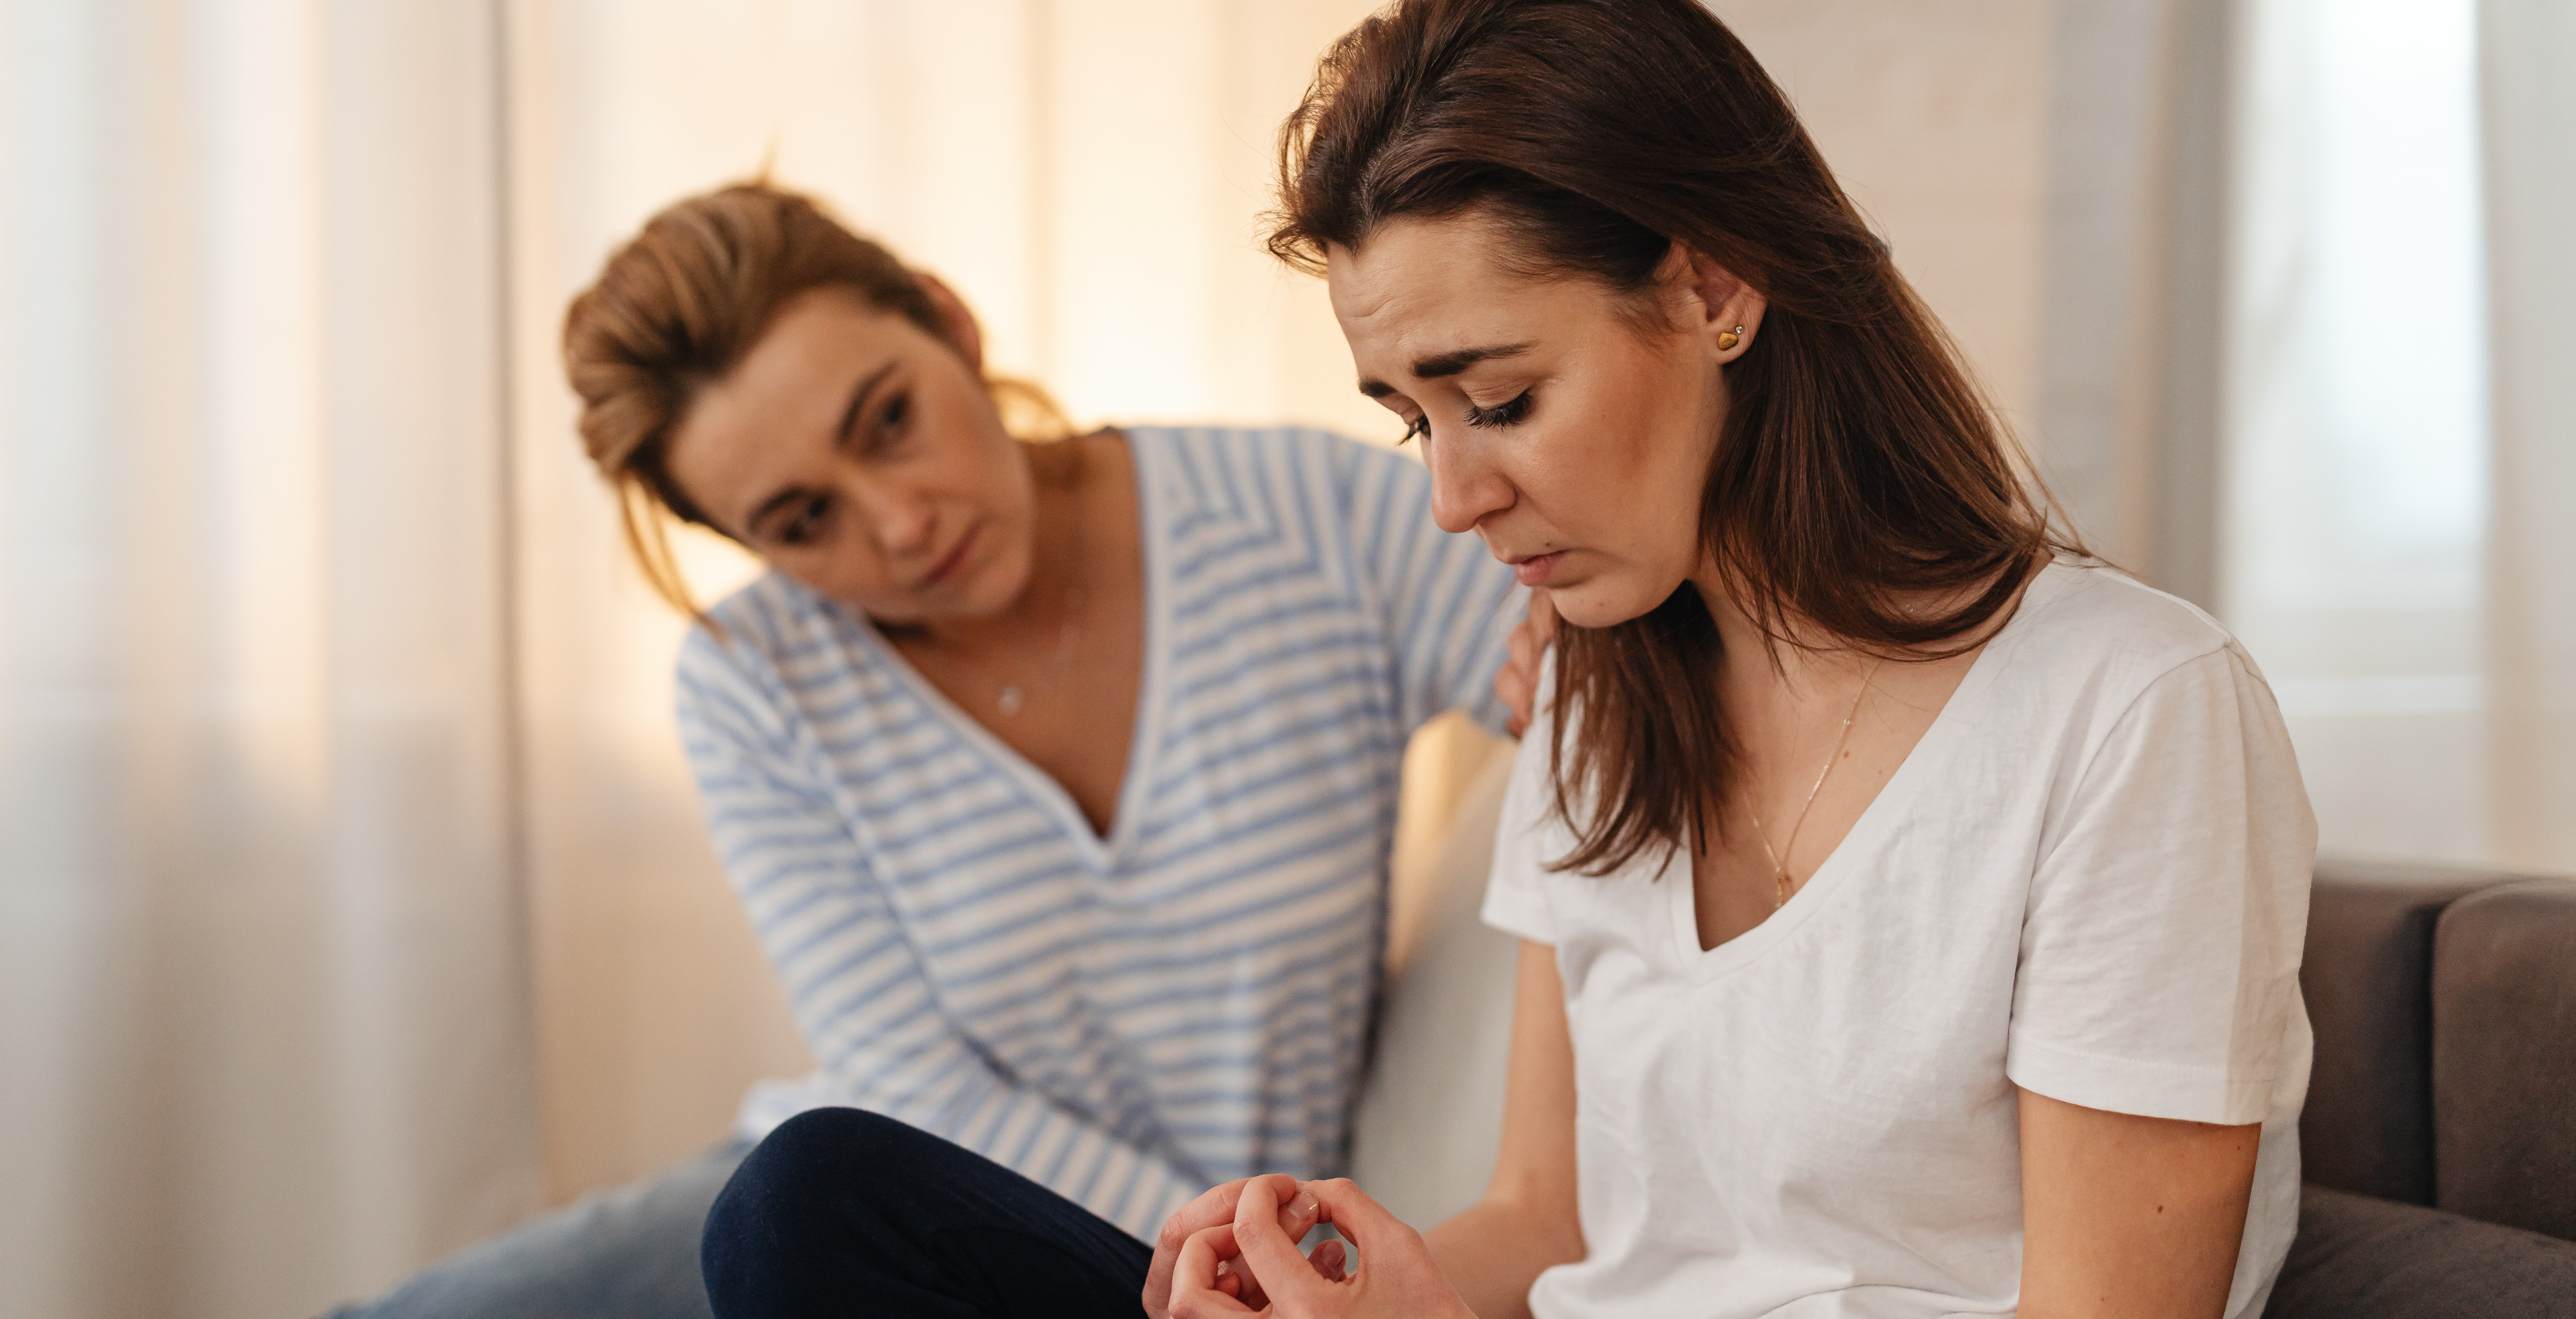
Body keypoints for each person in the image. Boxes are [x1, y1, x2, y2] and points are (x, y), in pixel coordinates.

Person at [701, 2, 2318, 1318]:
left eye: (1501, 399)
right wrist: (1331, 1292)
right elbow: (1542, 1225)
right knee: (820, 1201)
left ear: (1713, 282)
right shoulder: (1601, 698)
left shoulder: (2130, 713)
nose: (1454, 499)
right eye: (1413, 419)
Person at [321, 182, 1541, 1318]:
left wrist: (1573, 656)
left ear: (950, 328)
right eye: (805, 521)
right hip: (891, 1216)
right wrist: (1214, 1258)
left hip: (1189, 1258)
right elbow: (916, 1090)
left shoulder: (1296, 519)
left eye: (890, 421)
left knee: (802, 1194)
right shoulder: (759, 684)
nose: (901, 525)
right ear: (749, 546)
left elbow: (1596, 637)